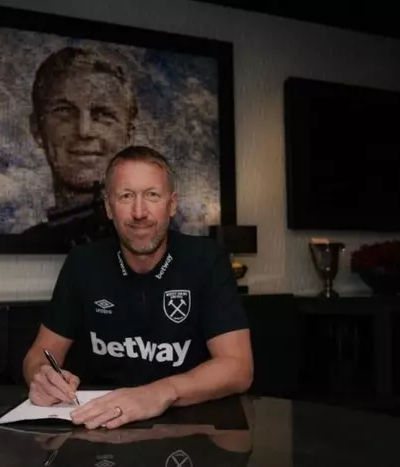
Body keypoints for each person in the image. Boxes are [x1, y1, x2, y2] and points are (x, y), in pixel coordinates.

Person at [22, 145, 253, 430]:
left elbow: (238, 368)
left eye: (152, 195)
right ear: (109, 207)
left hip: (187, 425)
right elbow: (39, 354)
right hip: (99, 425)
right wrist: (42, 377)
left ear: (172, 204)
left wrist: (158, 393)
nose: (139, 212)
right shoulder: (83, 262)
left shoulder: (207, 260)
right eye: (126, 196)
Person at [18, 46, 138, 249]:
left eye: (103, 115)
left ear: (128, 135)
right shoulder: (25, 246)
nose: (84, 131)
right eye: (65, 112)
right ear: (37, 129)